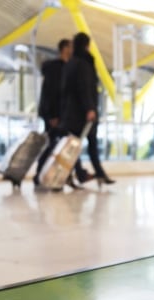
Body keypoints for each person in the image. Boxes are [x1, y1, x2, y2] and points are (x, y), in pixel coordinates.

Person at [34, 39, 93, 190]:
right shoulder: (55, 68)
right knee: (54, 144)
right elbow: (51, 93)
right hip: (53, 114)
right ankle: (42, 175)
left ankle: (72, 176)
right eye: (71, 47)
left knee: (65, 144)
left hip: (63, 113)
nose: (73, 50)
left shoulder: (68, 66)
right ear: (64, 48)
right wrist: (52, 115)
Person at [60, 32, 115, 186]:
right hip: (83, 114)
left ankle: (86, 173)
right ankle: (92, 173)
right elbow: (85, 87)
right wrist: (90, 108)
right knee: (88, 145)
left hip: (71, 114)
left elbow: (65, 91)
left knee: (77, 146)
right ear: (86, 46)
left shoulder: (70, 63)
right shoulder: (83, 63)